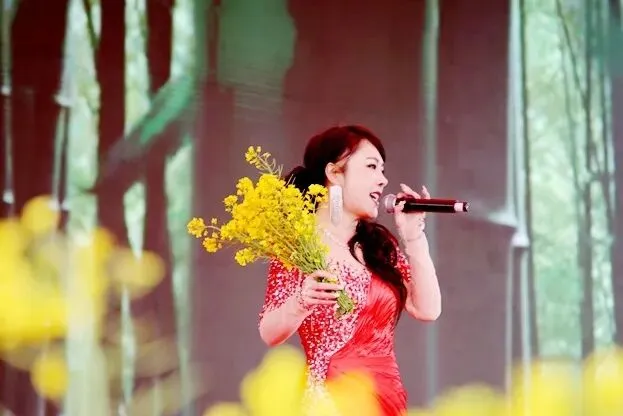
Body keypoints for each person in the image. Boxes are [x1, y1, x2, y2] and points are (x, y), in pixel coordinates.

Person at [258, 125, 442, 416]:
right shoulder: (297, 245)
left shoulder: (379, 246)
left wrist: (414, 236)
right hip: (332, 398)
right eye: (371, 167)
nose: (383, 180)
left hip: (387, 397)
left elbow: (427, 309)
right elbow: (269, 332)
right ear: (334, 173)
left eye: (383, 170)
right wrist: (302, 301)